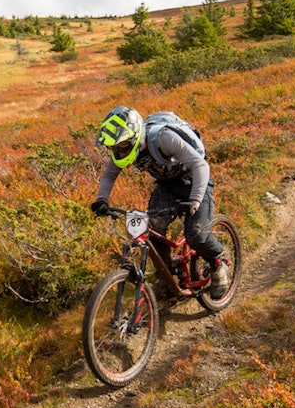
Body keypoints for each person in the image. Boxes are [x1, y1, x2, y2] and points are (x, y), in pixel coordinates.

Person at [90, 105, 230, 299]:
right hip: (167, 186)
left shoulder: (163, 138)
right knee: (153, 233)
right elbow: (109, 176)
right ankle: (166, 280)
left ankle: (217, 264)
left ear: (135, 136)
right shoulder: (123, 150)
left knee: (196, 235)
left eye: (122, 147)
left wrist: (196, 200)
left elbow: (200, 165)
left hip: (195, 181)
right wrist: (101, 200)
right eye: (114, 148)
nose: (119, 152)